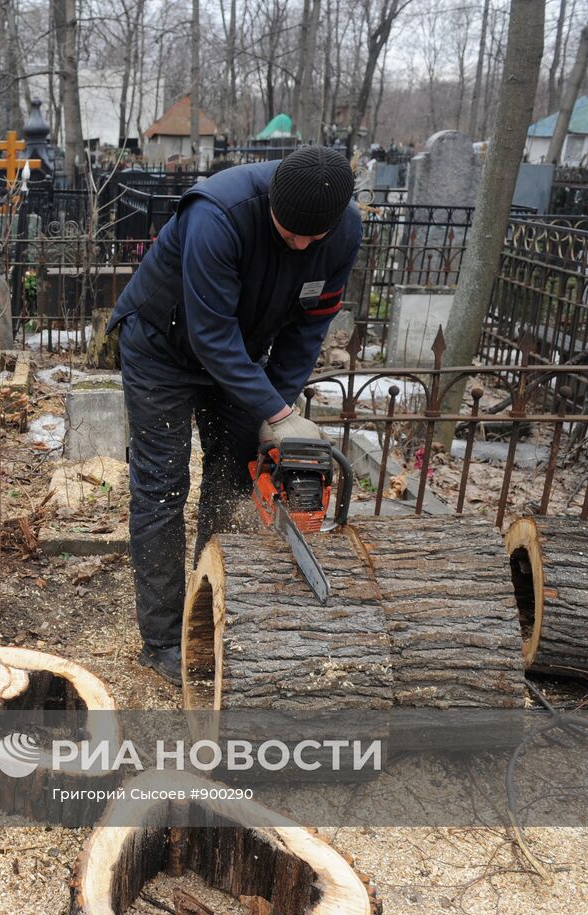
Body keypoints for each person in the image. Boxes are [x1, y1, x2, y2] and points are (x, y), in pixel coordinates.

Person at [107, 146, 362, 686]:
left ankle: (212, 607)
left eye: (312, 238)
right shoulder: (217, 215)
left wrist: (281, 411)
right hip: (163, 347)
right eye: (290, 232)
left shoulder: (342, 233)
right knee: (161, 488)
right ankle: (161, 639)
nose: (300, 245)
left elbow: (307, 328)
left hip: (245, 355)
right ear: (272, 203)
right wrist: (273, 404)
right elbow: (210, 334)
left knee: (228, 483)